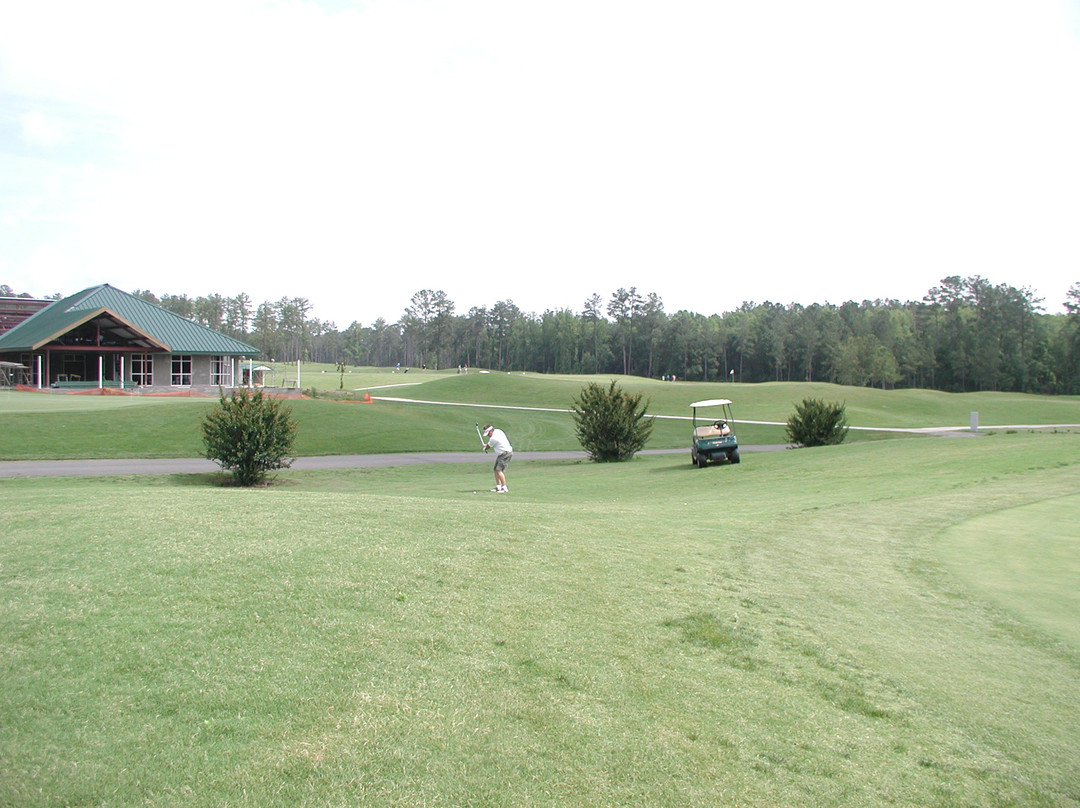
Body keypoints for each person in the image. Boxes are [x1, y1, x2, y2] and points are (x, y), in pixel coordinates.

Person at [481, 424, 513, 493]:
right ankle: (498, 487)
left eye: (488, 434)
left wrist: (485, 447)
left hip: (505, 453)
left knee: (498, 470)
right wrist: (486, 446)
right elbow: (489, 445)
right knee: (495, 470)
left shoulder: (493, 438)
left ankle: (504, 488)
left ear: (491, 431)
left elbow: (488, 446)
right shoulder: (498, 431)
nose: (487, 435)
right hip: (504, 453)